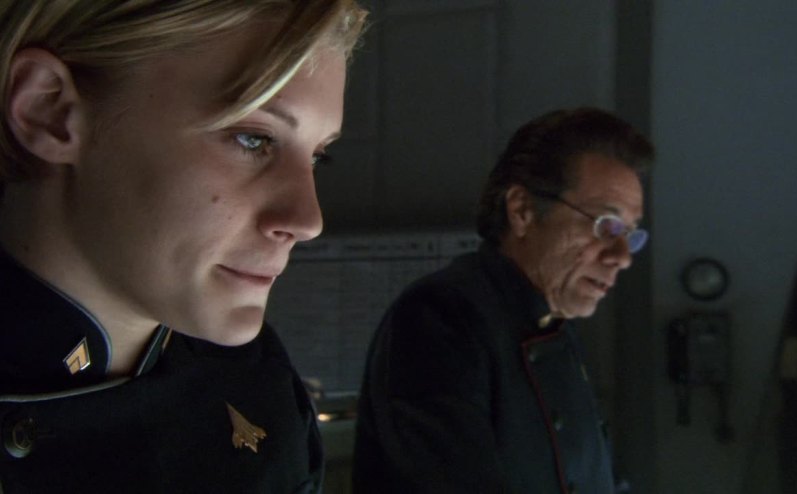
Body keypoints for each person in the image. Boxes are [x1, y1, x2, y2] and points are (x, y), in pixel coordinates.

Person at [0, 1, 366, 492]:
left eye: (318, 156)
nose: (308, 220)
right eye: (253, 139)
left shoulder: (260, 384)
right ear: (48, 112)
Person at [353, 108, 655, 493]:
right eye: (606, 226)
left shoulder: (554, 323)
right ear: (522, 211)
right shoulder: (439, 317)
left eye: (629, 234)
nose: (622, 256)